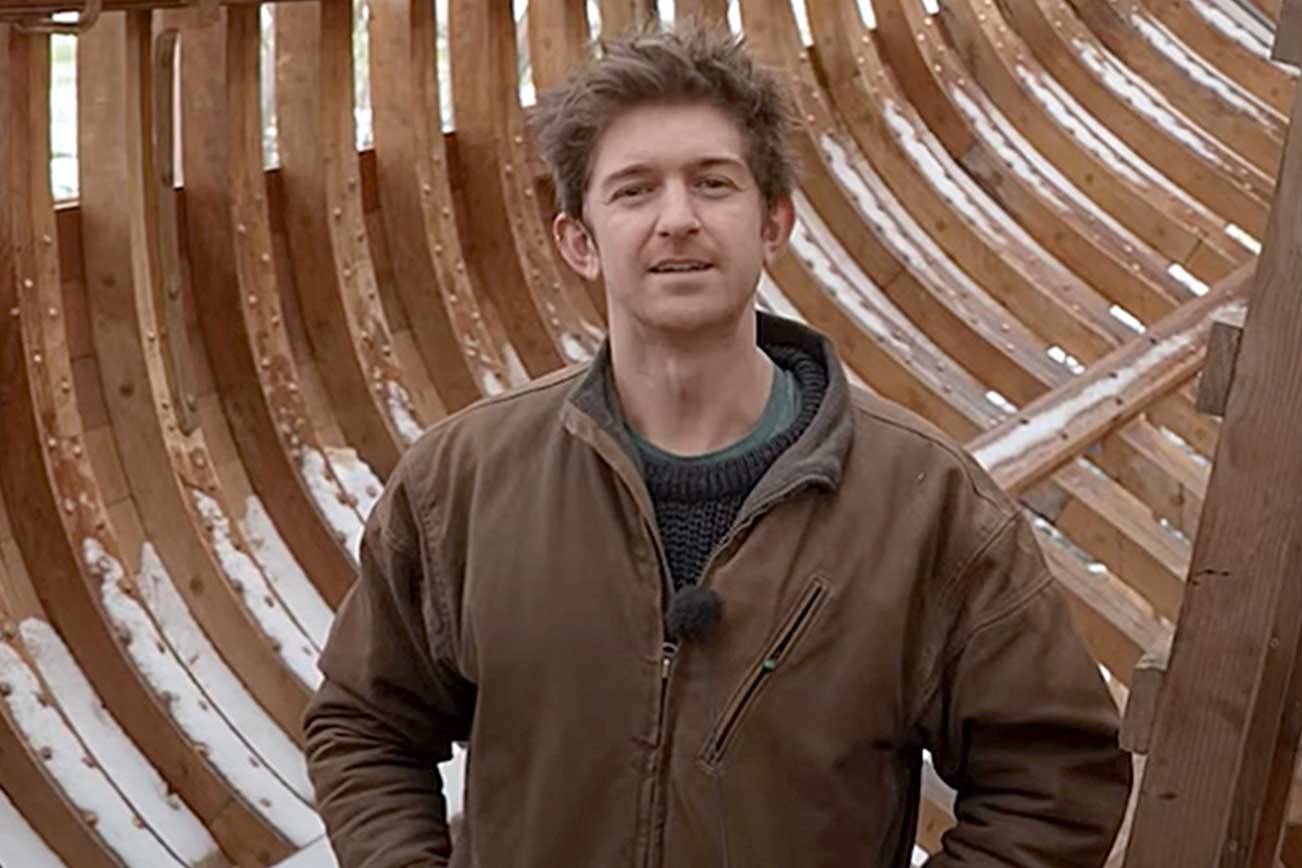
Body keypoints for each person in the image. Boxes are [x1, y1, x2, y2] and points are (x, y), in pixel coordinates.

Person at [303, 19, 1131, 868]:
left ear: (774, 224)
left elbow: (1053, 783)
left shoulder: (925, 503)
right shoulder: (464, 484)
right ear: (579, 241)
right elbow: (363, 723)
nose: (677, 220)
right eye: (634, 190)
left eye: (713, 184)